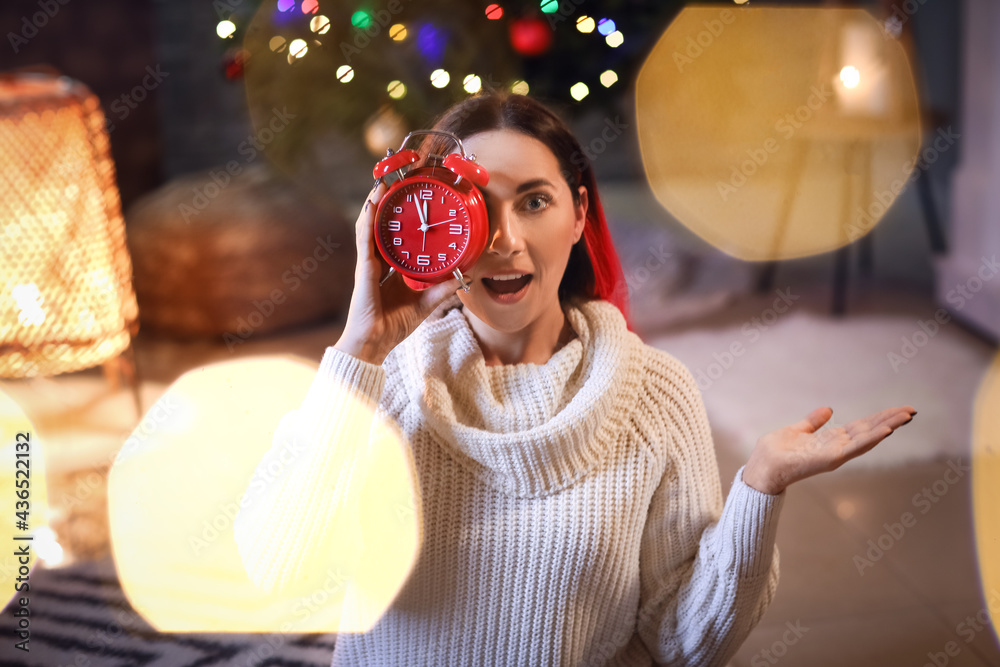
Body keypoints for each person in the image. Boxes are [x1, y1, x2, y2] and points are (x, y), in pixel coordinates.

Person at [234, 91, 916, 666]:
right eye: (476, 208)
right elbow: (278, 573)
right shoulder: (378, 384)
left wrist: (759, 487)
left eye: (534, 201)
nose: (505, 239)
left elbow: (680, 640)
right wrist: (360, 349)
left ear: (580, 213)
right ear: (429, 223)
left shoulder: (653, 392)